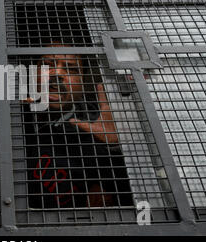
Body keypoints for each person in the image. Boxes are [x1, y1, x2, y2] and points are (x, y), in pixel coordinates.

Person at [24, 42, 134, 208]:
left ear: (83, 82)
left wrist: (117, 147)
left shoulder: (98, 127)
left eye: (70, 69)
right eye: (47, 65)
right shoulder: (4, 114)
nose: (57, 73)